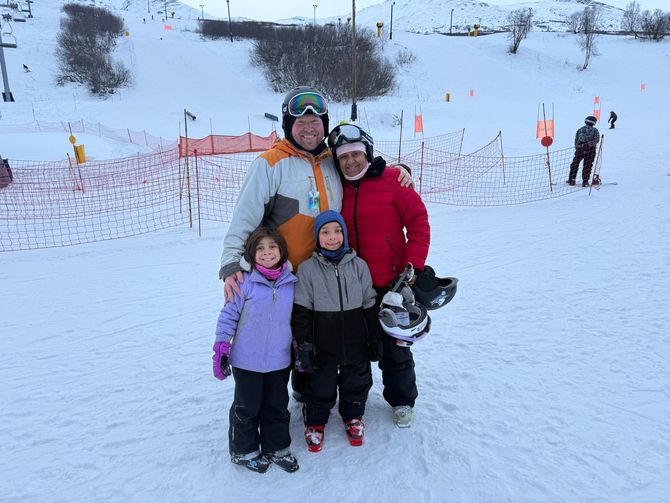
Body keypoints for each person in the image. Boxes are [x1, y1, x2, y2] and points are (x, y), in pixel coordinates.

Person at [218, 86, 411, 400]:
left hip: (329, 274)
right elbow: (244, 218)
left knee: (323, 339)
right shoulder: (270, 163)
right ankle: (280, 405)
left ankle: (315, 395)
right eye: (300, 123)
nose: (309, 129)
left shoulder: (330, 161)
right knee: (286, 341)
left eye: (315, 122)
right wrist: (230, 265)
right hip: (286, 279)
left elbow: (361, 169)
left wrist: (396, 172)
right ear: (287, 126)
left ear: (324, 123)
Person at [327, 123, 431, 428]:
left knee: (395, 348)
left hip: (392, 283)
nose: (350, 162)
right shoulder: (336, 186)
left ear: (367, 153)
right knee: (356, 349)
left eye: (356, 154)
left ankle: (402, 400)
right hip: (351, 286)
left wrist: (414, 266)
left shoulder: (393, 180)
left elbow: (418, 222)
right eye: (344, 157)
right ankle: (355, 402)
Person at [292, 210, 383, 452]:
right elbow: (301, 312)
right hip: (323, 341)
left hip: (356, 339)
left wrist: (374, 335)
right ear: (317, 236)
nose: (332, 237)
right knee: (320, 382)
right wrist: (304, 344)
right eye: (325, 232)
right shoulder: (307, 269)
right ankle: (315, 421)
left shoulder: (359, 266)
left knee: (357, 379)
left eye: (337, 231)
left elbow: (369, 303)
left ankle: (353, 415)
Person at [212, 227, 299, 474]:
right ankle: (243, 450)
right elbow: (228, 315)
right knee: (247, 406)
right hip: (246, 361)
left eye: (272, 246)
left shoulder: (291, 283)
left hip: (279, 360)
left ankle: (276, 447)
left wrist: (298, 348)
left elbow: (296, 319)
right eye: (260, 248)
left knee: (277, 405)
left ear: (281, 250)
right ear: (251, 253)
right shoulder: (244, 282)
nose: (267, 252)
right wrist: (221, 347)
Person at [568, 115, 600, 188]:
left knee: (575, 164)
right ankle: (585, 181)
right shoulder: (595, 130)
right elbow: (596, 140)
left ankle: (572, 179)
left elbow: (576, 141)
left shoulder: (580, 129)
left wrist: (578, 147)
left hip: (580, 149)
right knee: (587, 165)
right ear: (594, 123)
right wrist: (589, 144)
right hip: (590, 150)